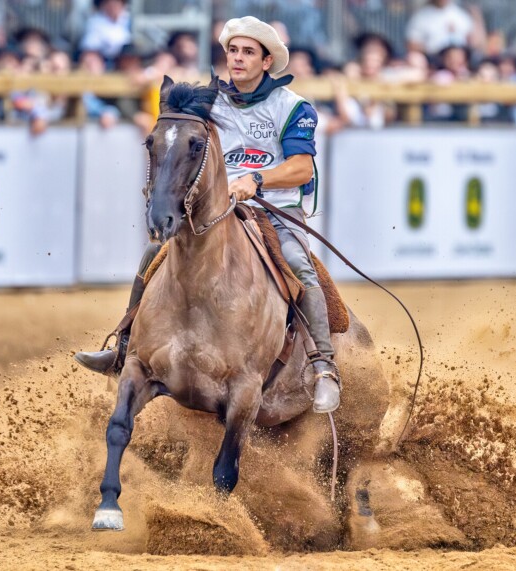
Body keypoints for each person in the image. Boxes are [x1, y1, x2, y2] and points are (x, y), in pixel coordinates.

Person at [75, 16, 341, 413]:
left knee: (299, 263)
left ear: (267, 61)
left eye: (248, 52)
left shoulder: (293, 107)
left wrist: (256, 179)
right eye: (232, 50)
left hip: (276, 211)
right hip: (217, 210)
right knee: (154, 255)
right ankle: (123, 349)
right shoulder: (210, 103)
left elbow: (302, 168)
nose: (237, 58)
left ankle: (323, 366)